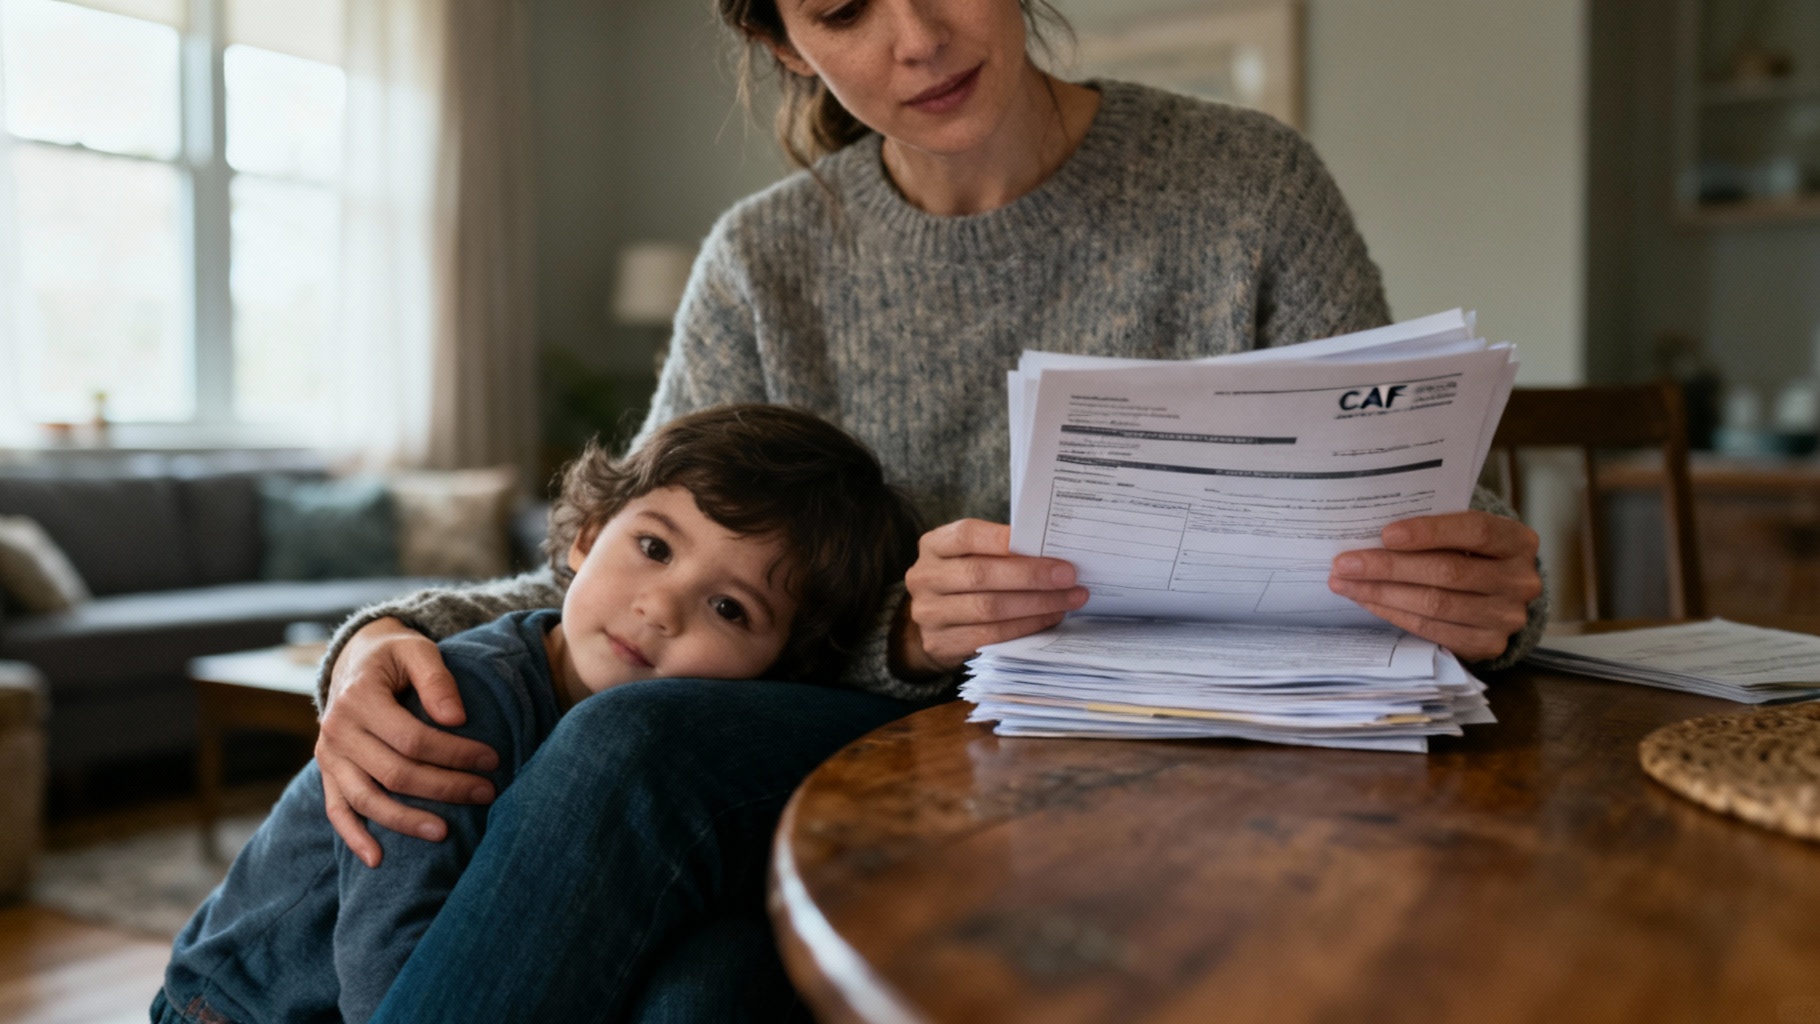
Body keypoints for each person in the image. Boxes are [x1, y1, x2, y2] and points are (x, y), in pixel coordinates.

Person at [313, 1, 1551, 1019]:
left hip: (1203, 764)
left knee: (700, 979)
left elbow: (1428, 506)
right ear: (789, 45)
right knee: (653, 842)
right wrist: (383, 635)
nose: (914, 38)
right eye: (843, 10)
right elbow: (624, 572)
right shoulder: (762, 263)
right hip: (851, 769)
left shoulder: (1248, 187)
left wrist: (1483, 595)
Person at [152, 405, 920, 1024]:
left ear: (777, 672)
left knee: (723, 968)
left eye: (728, 607)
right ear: (587, 537)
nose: (660, 607)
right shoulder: (457, 703)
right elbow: (388, 978)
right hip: (239, 1007)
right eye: (653, 547)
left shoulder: (670, 757)